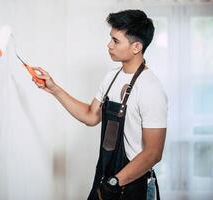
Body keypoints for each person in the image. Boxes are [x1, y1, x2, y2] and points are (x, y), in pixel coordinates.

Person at [32, 9, 167, 200]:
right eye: (110, 38)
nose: (109, 45)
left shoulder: (150, 88)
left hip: (131, 183)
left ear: (136, 47)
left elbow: (153, 153)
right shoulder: (112, 77)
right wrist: (54, 88)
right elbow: (91, 116)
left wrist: (115, 183)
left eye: (116, 41)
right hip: (105, 176)